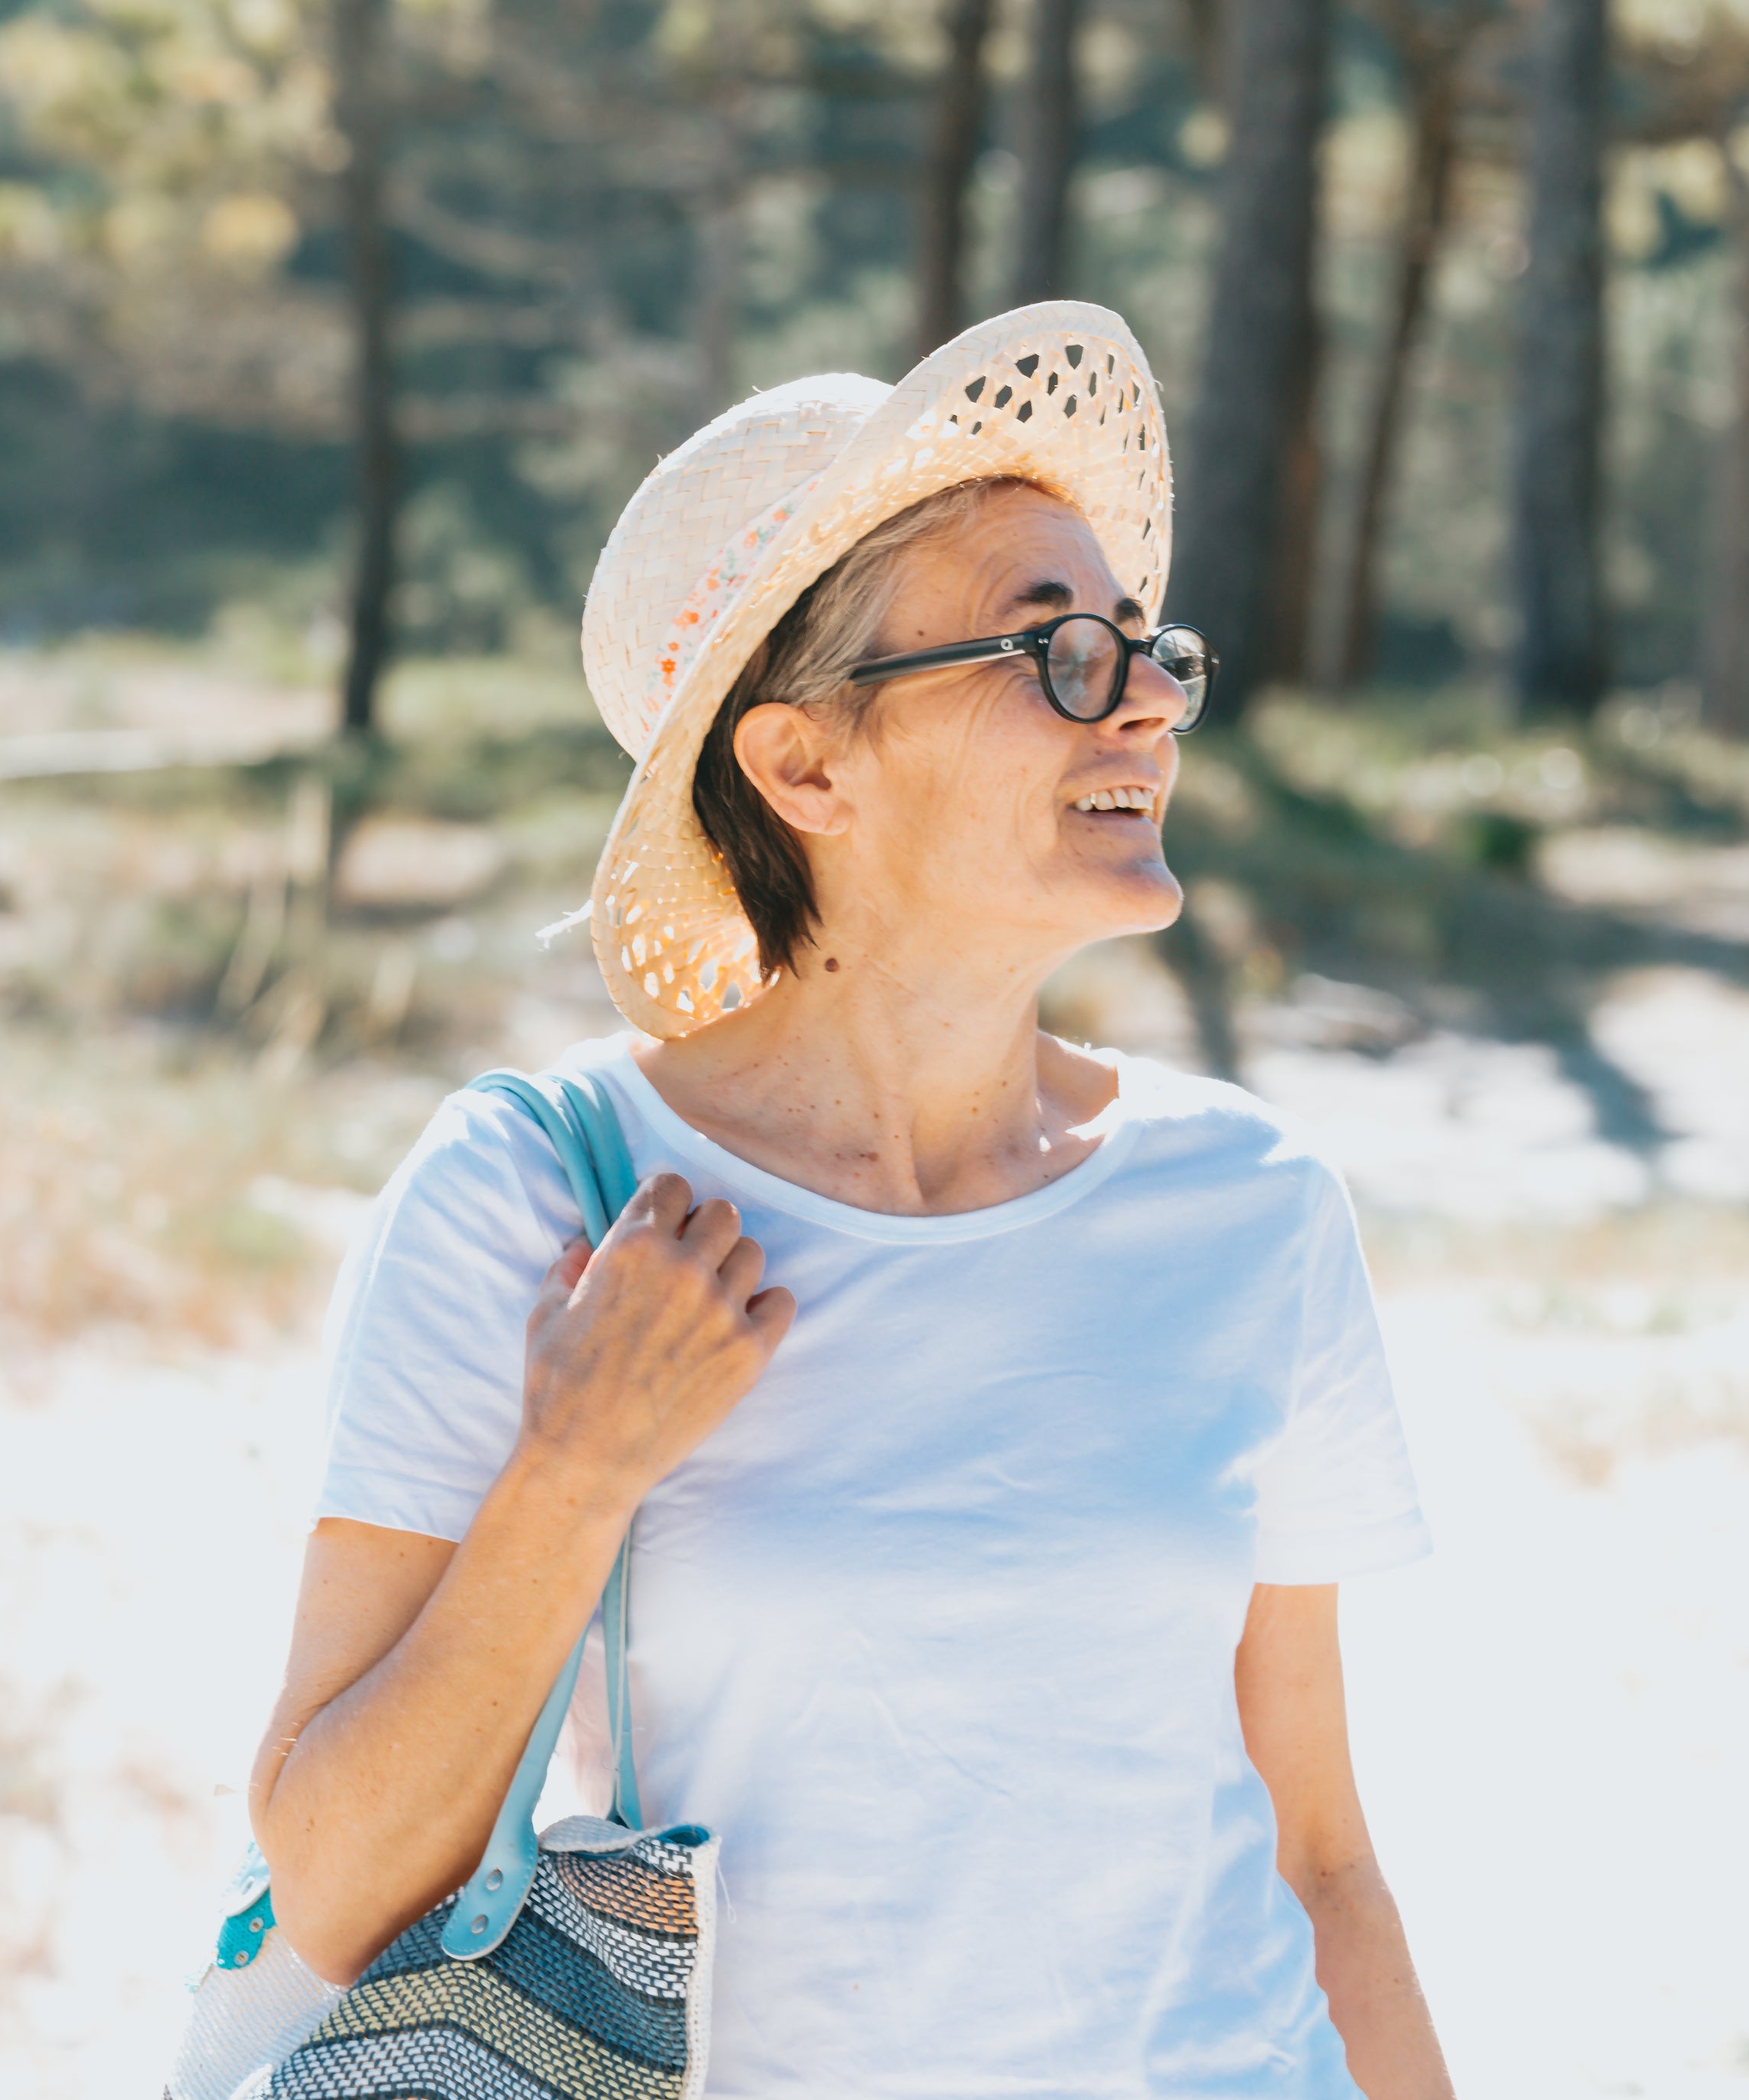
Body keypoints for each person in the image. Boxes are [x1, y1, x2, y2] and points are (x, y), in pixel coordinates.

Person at [246, 303, 1452, 2098]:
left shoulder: (1252, 1206)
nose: (1137, 701)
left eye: (1143, 648)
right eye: (1048, 653)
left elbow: (1321, 1852)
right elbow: (336, 1894)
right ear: (804, 764)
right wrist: (579, 1465)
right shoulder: (537, 1195)